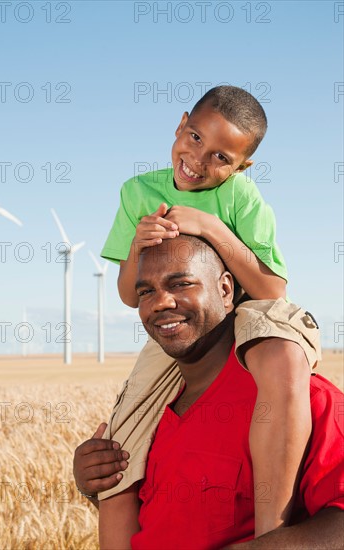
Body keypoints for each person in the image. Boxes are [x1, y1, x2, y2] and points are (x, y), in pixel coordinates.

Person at [98, 85, 321, 536]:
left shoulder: (243, 198)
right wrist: (137, 248)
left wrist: (212, 228)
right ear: (181, 125)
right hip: (180, 320)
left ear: (243, 167)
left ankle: (269, 532)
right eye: (196, 138)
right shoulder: (137, 191)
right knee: (120, 444)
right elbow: (128, 293)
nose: (200, 160)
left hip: (245, 308)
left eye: (223, 158)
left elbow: (273, 288)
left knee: (281, 359)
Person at [73, 235, 343, 549]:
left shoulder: (299, 399)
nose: (161, 302)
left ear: (226, 290)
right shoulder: (144, 416)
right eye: (146, 291)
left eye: (181, 284)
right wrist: (96, 483)